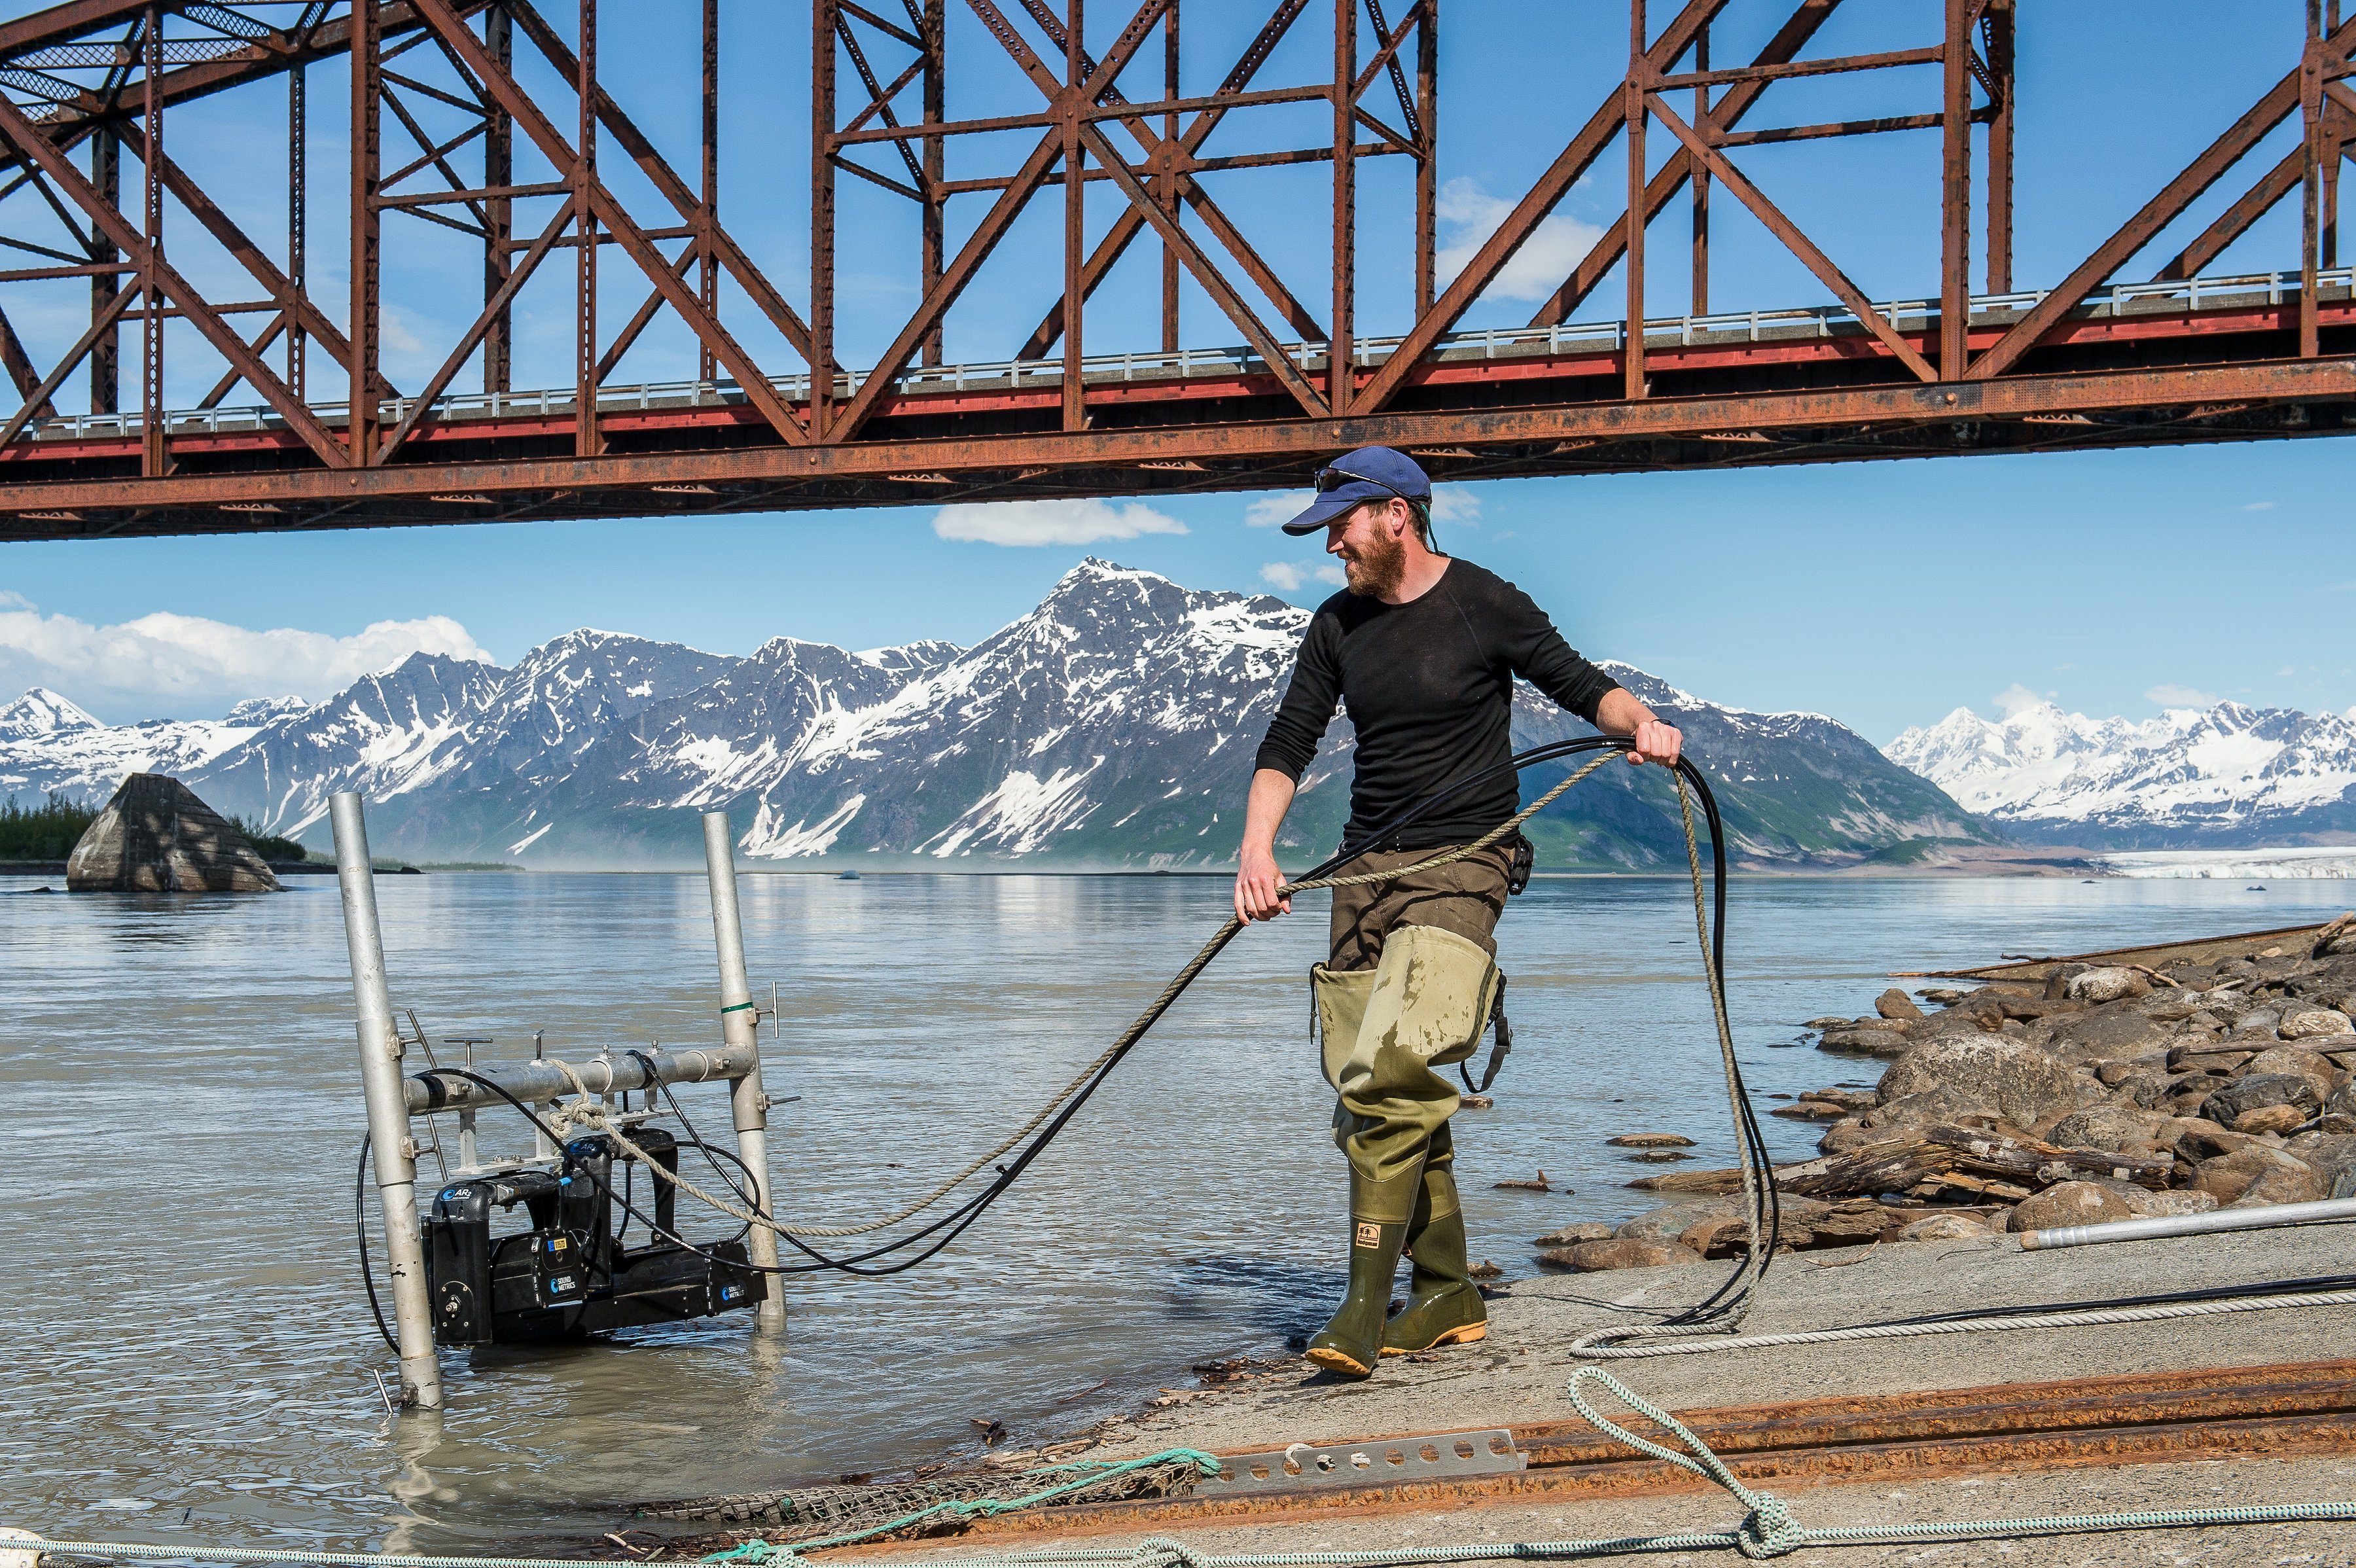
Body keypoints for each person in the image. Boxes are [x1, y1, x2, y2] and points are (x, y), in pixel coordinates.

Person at [1235, 445, 1683, 1378]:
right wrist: (1257, 849)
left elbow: (1580, 683)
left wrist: (1643, 723)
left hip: (1465, 865)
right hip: (1361, 875)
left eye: (1342, 527)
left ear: (1396, 515)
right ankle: (1446, 1291)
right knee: (1366, 1093)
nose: (1331, 547)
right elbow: (1288, 741)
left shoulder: (1485, 602)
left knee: (1394, 1068)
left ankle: (1362, 1309)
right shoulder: (1336, 625)